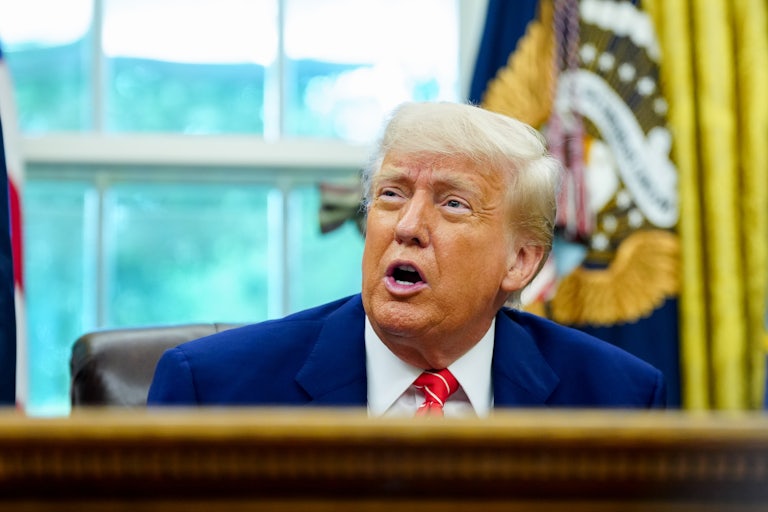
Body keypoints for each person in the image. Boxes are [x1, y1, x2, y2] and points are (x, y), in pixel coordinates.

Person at [148, 101, 666, 415]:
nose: (409, 226)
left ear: (521, 261)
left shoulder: (617, 396)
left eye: (453, 203)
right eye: (392, 195)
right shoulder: (212, 388)